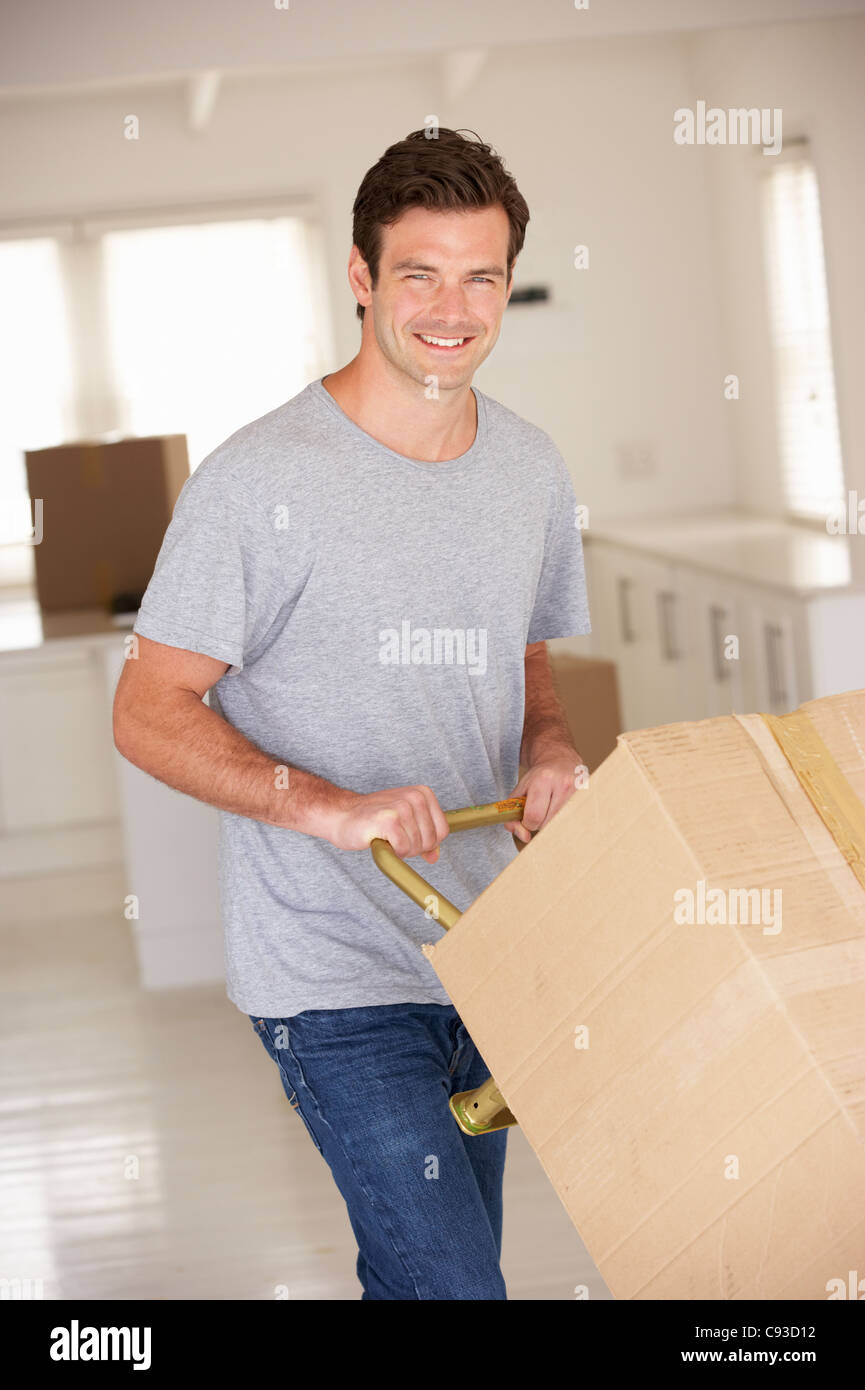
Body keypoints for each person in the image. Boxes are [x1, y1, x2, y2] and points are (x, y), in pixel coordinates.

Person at [113, 126, 591, 1300]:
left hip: (483, 950)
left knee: (431, 1273)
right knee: (455, 1287)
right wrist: (326, 809)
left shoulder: (527, 469)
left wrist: (548, 745)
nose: (451, 306)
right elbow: (146, 710)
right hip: (330, 975)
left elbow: (521, 655)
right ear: (361, 277)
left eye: (480, 275)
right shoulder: (257, 481)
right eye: (418, 272)